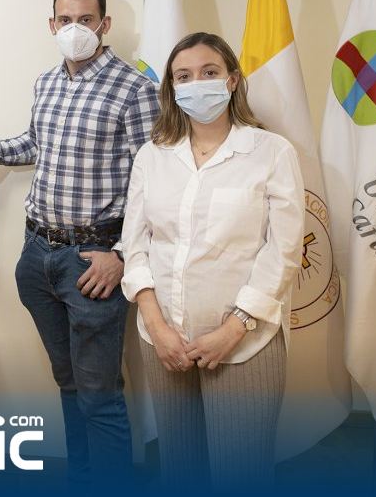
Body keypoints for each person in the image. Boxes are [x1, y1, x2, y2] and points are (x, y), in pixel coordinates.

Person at [0, 0, 159, 487]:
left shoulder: (135, 89)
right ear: (52, 24)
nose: (75, 29)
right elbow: (35, 143)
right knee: (68, 384)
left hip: (93, 262)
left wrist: (120, 254)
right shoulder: (46, 83)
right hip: (37, 254)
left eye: (85, 20)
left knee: (99, 394)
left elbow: (154, 181)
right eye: (65, 20)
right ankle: (83, 480)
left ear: (104, 24)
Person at [120, 32, 304, 490]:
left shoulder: (271, 152)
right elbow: (135, 245)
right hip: (163, 339)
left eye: (209, 72)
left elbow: (283, 251)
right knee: (180, 472)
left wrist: (234, 328)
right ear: (171, 87)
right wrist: (157, 327)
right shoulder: (152, 156)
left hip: (244, 344)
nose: (196, 83)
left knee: (240, 476)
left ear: (232, 80)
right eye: (183, 76)